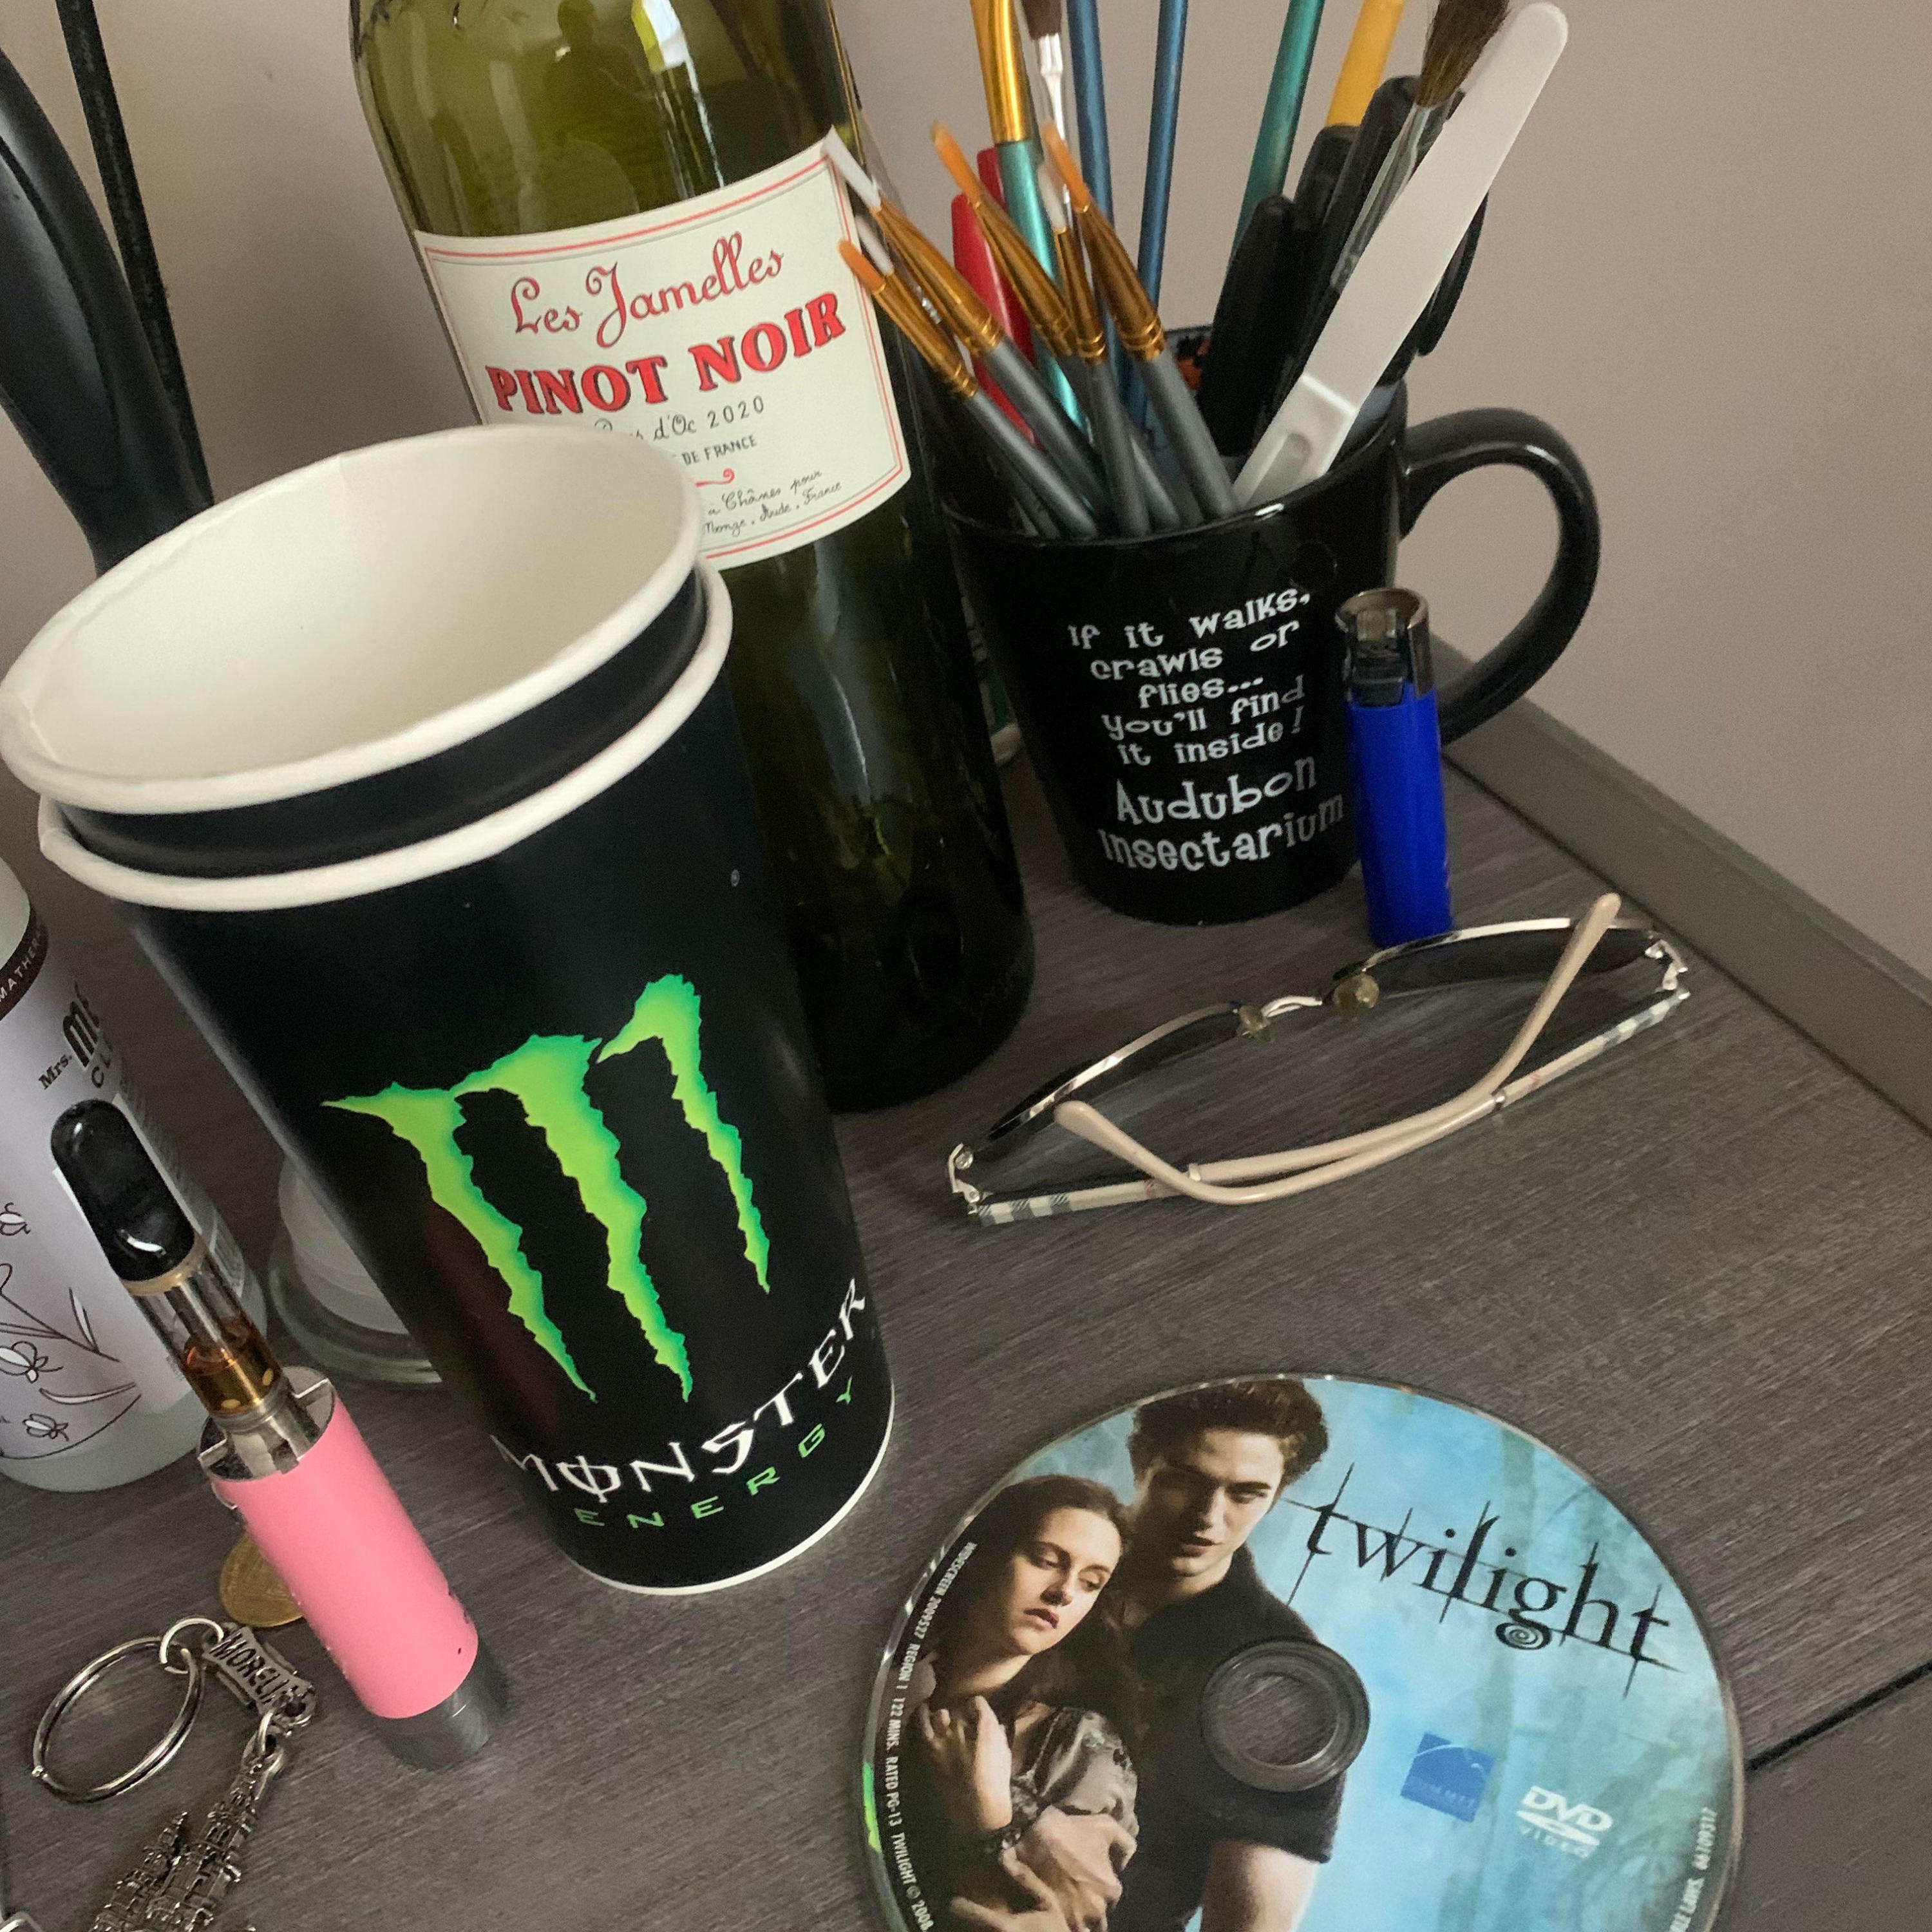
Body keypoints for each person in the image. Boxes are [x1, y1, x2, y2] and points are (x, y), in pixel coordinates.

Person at [1108, 1380, 1347, 1932]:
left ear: (1276, 1496)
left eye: (1246, 1494)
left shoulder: (1289, 1689)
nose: (1208, 1518)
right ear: (1141, 1464)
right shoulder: (1029, 1548)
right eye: (1185, 1481)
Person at [902, 1475, 1142, 1932]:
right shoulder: (888, 1674)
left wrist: (989, 1819)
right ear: (983, 1557)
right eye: (1046, 1561)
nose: (1064, 1591)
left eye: (1091, 1583)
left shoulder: (1079, 1752)